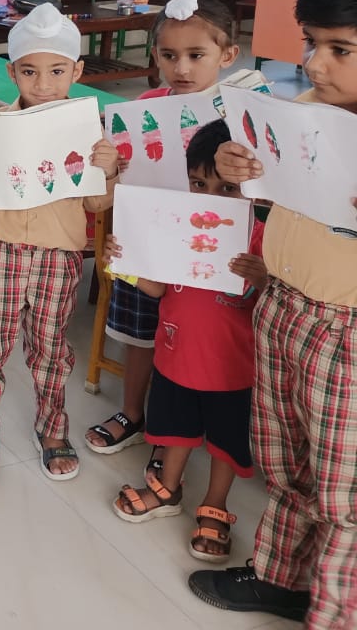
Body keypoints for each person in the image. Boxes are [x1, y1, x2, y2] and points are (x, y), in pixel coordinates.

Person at [190, 0, 357, 628]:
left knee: (345, 494)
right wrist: (241, 167)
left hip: (345, 331)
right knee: (286, 461)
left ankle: (335, 610)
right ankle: (282, 578)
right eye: (313, 44)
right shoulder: (314, 105)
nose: (314, 64)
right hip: (283, 306)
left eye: (339, 49)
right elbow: (277, 194)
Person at [0, 4, 120, 490]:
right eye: (30, 71)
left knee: (51, 349)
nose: (44, 84)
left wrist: (109, 169)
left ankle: (52, 429)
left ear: (77, 71)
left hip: (58, 254)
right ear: (12, 72)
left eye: (56, 72)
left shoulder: (90, 133)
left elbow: (95, 199)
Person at [85, 0, 240, 478]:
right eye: (169, 56)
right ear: (154, 56)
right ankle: (134, 413)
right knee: (142, 335)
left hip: (211, 257)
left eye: (197, 55)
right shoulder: (142, 109)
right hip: (150, 247)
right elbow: (111, 191)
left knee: (194, 345)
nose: (182, 68)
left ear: (228, 55)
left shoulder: (240, 117)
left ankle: (172, 434)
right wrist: (111, 169)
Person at [107, 119, 265, 566]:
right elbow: (156, 289)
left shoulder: (258, 238)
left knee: (224, 441)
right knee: (175, 427)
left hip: (232, 366)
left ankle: (215, 505)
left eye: (227, 190)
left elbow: (269, 301)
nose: (211, 199)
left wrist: (262, 278)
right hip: (175, 354)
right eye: (199, 183)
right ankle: (167, 489)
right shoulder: (179, 225)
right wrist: (126, 262)